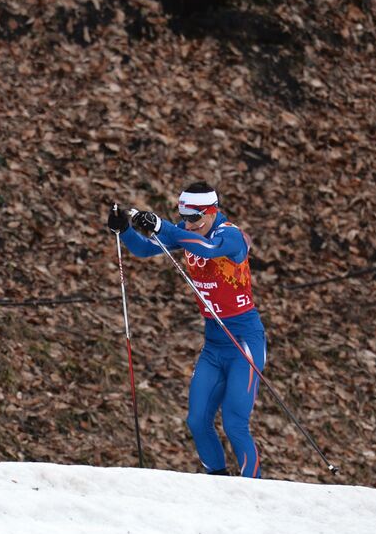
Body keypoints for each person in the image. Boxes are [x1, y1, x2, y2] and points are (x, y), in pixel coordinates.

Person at [107, 182, 267, 477]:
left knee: (234, 421)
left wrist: (164, 226)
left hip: (244, 341)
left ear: (212, 211)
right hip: (214, 345)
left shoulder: (229, 236)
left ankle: (253, 491)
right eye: (184, 216)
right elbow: (144, 249)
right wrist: (126, 230)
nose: (189, 224)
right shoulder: (188, 231)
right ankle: (216, 483)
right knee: (197, 420)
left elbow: (208, 251)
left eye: (194, 218)